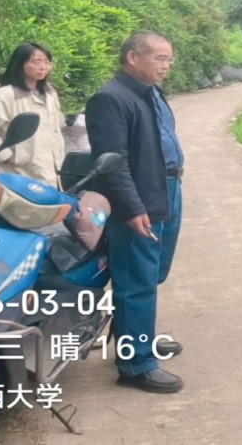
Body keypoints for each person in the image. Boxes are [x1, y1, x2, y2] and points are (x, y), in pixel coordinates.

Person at [84, 31, 185, 393]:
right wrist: (130, 207)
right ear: (132, 57)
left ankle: (136, 335)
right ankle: (136, 364)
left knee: (154, 271)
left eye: (169, 59)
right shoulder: (110, 98)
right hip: (139, 198)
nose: (166, 66)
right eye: (160, 58)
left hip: (167, 188)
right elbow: (113, 161)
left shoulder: (151, 92)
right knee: (136, 278)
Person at [0, 42, 66, 189]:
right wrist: (8, 156)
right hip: (18, 173)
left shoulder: (49, 93)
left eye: (47, 62)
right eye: (36, 62)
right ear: (20, 64)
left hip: (51, 172)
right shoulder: (4, 96)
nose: (43, 67)